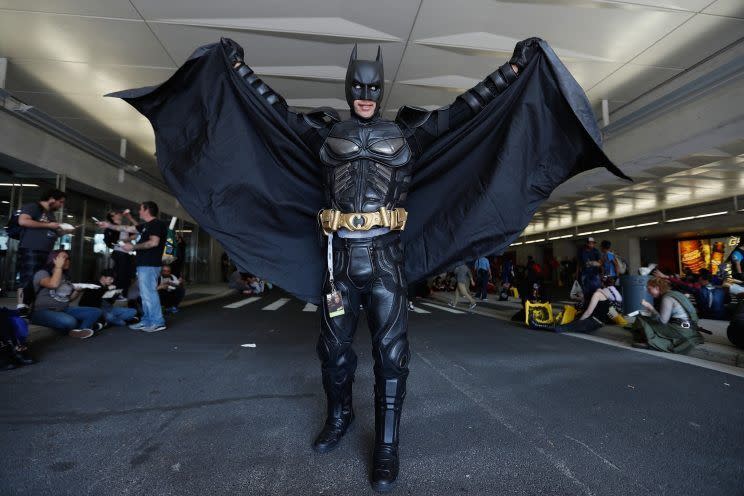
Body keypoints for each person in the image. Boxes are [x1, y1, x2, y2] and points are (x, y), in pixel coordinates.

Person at [111, 35, 626, 491]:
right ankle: (338, 419)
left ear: (381, 90)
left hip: (386, 261)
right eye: (357, 86)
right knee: (332, 354)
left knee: (391, 356)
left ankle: (386, 446)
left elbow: (467, 109)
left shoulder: (409, 136)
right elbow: (273, 111)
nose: (364, 95)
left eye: (372, 87)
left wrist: (512, 71)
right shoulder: (322, 136)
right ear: (347, 87)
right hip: (337, 261)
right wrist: (237, 69)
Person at [97, 202, 167, 333]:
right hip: (144, 264)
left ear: (147, 210)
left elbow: (154, 242)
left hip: (150, 264)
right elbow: (127, 229)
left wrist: (133, 247)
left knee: (149, 294)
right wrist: (109, 225)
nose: (139, 212)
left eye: (140, 209)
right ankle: (147, 320)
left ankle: (158, 322)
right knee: (145, 295)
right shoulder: (146, 225)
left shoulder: (156, 224)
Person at [15, 189, 70, 315]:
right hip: (31, 248)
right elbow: (23, 221)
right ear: (51, 199)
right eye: (60, 202)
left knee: (40, 277)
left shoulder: (50, 214)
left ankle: (31, 304)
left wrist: (62, 230)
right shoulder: (33, 207)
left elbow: (50, 230)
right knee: (28, 276)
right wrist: (49, 226)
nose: (61, 205)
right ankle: (22, 305)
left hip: (46, 250)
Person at [29, 251, 102, 339]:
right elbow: (53, 284)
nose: (68, 261)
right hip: (42, 311)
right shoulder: (43, 273)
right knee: (70, 321)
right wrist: (58, 267)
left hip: (64, 309)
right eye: (64, 258)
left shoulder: (64, 276)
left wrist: (77, 291)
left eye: (68, 259)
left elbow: (68, 299)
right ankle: (86, 325)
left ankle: (81, 330)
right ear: (54, 259)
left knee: (96, 311)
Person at [631, 277, 704, 353]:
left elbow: (662, 321)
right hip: (690, 328)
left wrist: (650, 307)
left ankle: (650, 342)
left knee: (641, 319)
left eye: (649, 289)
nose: (648, 292)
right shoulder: (676, 293)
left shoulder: (667, 298)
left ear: (657, 288)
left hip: (680, 330)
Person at [555, 276, 622, 333]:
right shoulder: (601, 292)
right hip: (601, 320)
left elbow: (588, 312)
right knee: (574, 320)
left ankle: (555, 327)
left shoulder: (597, 294)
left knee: (566, 326)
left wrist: (579, 322)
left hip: (595, 321)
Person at [104, 210, 136, 298]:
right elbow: (108, 241)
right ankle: (116, 294)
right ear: (112, 217)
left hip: (128, 253)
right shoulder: (111, 227)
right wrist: (121, 242)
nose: (119, 214)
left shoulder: (124, 227)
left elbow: (135, 234)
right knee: (120, 274)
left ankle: (123, 294)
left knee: (128, 275)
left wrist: (128, 239)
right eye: (116, 213)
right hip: (119, 253)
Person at [577, 237, 602, 307]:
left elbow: (600, 263)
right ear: (586, 243)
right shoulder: (581, 251)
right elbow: (578, 263)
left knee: (596, 289)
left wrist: (595, 263)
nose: (591, 244)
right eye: (590, 243)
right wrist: (576, 275)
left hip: (595, 274)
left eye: (593, 243)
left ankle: (597, 304)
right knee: (585, 290)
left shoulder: (596, 251)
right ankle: (586, 305)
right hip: (585, 273)